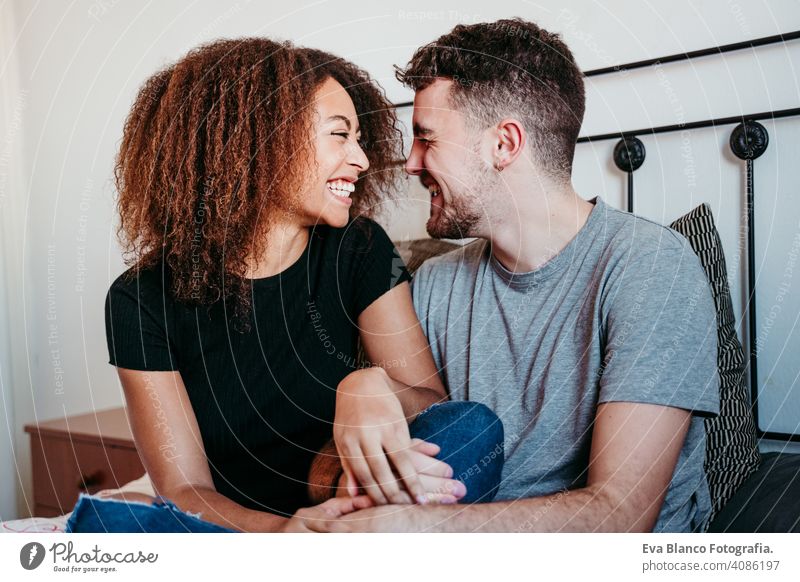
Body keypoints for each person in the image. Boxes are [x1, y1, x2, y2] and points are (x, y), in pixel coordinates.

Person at [286, 18, 720, 533]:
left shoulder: (650, 268)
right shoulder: (433, 284)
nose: (409, 164)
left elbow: (621, 516)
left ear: (504, 144)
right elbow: (326, 475)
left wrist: (418, 531)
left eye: (426, 139)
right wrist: (358, 401)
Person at [102, 38, 503, 533]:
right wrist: (283, 536)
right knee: (110, 525)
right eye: (340, 135)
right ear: (256, 141)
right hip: (246, 527)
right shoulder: (140, 299)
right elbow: (184, 489)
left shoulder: (357, 248)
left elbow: (429, 404)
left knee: (469, 430)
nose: (361, 159)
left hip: (359, 493)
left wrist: (366, 385)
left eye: (359, 138)